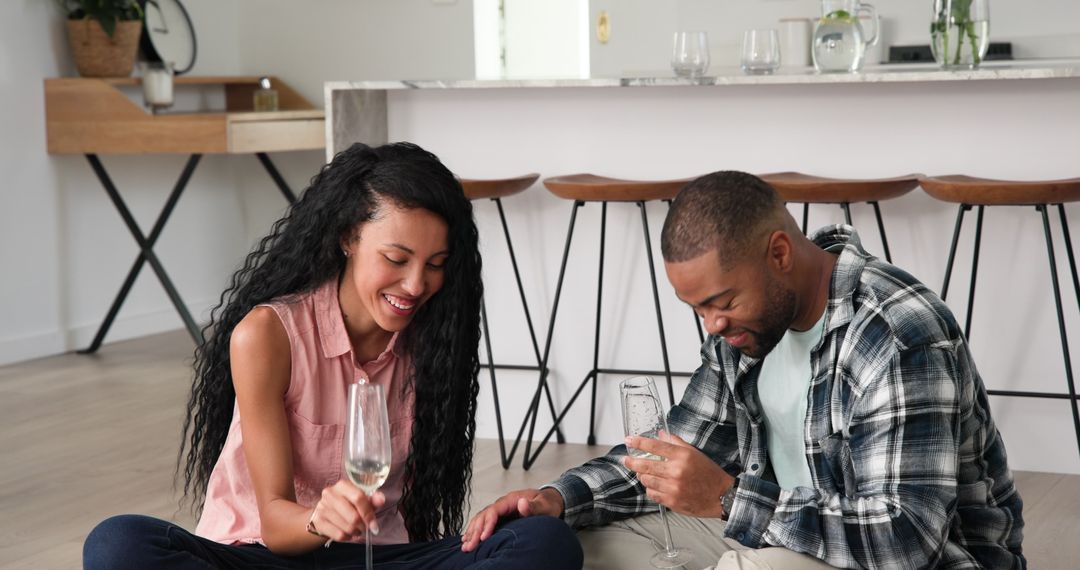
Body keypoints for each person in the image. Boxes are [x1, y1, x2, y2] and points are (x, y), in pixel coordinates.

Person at [463, 171, 1025, 569]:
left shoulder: (897, 334)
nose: (710, 324)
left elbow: (907, 542)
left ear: (779, 253)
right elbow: (677, 456)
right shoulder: (747, 328)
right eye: (697, 308)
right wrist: (556, 499)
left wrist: (732, 500)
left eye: (720, 301)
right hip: (776, 536)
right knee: (571, 544)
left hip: (908, 560)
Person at [84, 142, 583, 570]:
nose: (415, 285)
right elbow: (278, 524)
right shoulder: (267, 335)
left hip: (375, 557)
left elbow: (414, 515)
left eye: (434, 265)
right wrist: (321, 517)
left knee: (542, 541)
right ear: (348, 237)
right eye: (395, 259)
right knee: (118, 544)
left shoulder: (432, 341)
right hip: (261, 553)